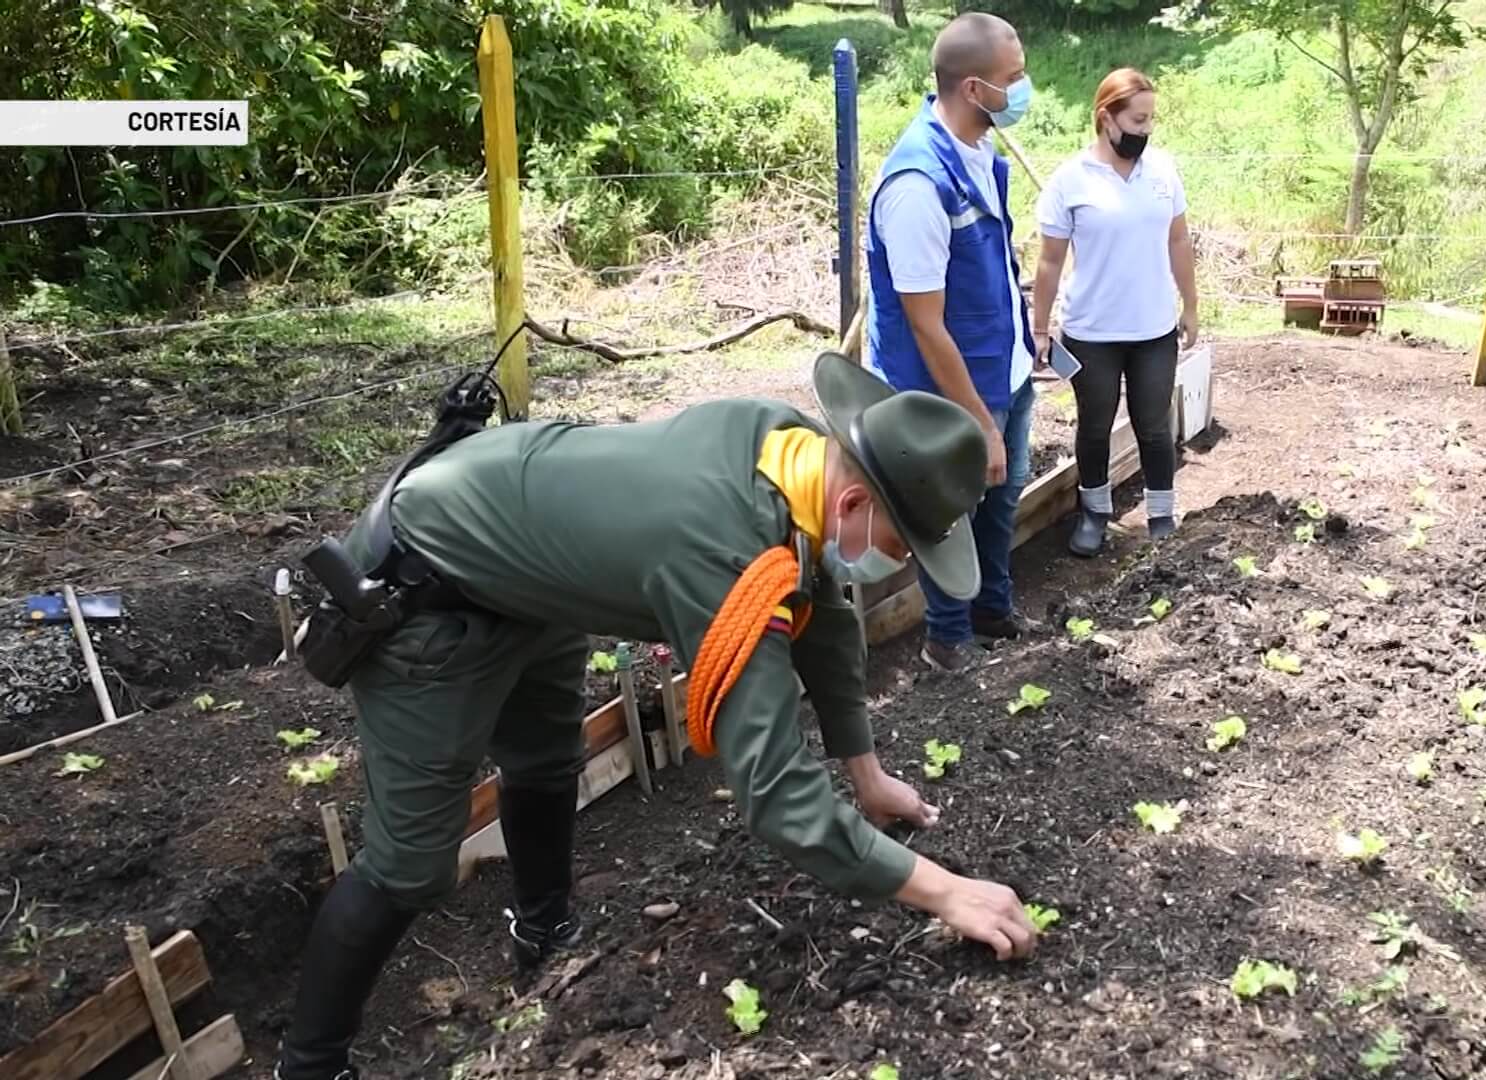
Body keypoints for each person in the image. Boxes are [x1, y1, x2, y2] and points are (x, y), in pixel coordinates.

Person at [272, 354, 1039, 1080]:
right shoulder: (723, 556)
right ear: (853, 501)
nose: (900, 566)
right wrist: (944, 891)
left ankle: (543, 935)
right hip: (426, 591)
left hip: (529, 567)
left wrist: (865, 773)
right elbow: (775, 798)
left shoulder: (791, 450)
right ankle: (310, 1066)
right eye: (902, 546)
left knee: (544, 761)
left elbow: (825, 612)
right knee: (408, 867)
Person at [864, 12, 1039, 673]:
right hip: (948, 387)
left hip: (1003, 365)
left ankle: (991, 610)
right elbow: (925, 323)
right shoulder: (915, 185)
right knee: (950, 512)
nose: (1023, 90)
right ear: (974, 88)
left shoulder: (977, 149)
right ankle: (947, 642)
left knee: (1002, 496)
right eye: (1013, 78)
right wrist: (977, 421)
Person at [1029, 67, 1199, 556]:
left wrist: (1190, 305)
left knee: (1152, 424)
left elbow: (1177, 239)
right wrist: (1040, 329)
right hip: (1092, 331)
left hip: (1153, 328)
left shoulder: (1163, 172)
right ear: (1107, 118)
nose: (1146, 131)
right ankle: (1095, 513)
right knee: (1095, 425)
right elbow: (1050, 261)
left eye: (1151, 121)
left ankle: (1162, 514)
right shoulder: (1070, 181)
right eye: (1138, 120)